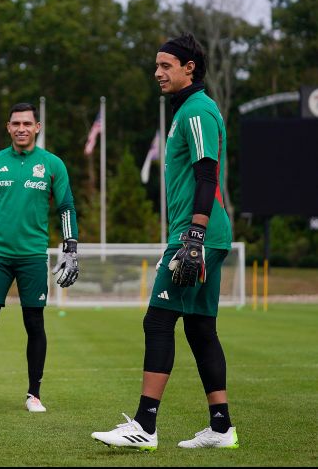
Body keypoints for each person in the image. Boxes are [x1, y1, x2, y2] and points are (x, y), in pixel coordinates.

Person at [91, 32, 238, 451]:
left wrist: (193, 235)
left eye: (165, 66)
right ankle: (221, 427)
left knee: (157, 321)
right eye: (156, 66)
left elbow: (207, 174)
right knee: (200, 329)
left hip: (198, 235)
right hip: (203, 234)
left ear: (189, 68)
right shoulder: (187, 111)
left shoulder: (197, 110)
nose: (157, 73)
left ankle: (145, 425)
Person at [0, 102, 79, 413]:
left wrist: (70, 247)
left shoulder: (52, 165)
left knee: (34, 323)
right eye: (16, 124)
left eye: (27, 123)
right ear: (8, 128)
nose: (21, 129)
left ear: (37, 127)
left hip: (33, 256)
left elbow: (66, 207)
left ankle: (34, 394)